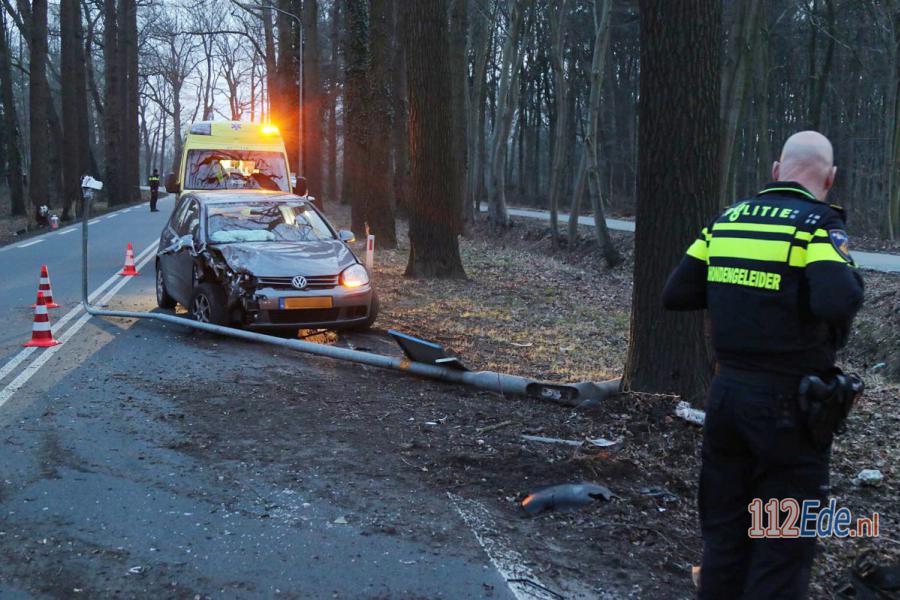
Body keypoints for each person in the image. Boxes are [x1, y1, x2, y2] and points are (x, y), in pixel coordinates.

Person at [662, 131, 865, 598]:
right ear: (830, 179)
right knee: (781, 543)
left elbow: (677, 294)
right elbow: (839, 301)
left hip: (727, 399)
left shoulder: (726, 221)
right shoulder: (816, 225)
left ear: (776, 171)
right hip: (789, 412)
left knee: (725, 537)